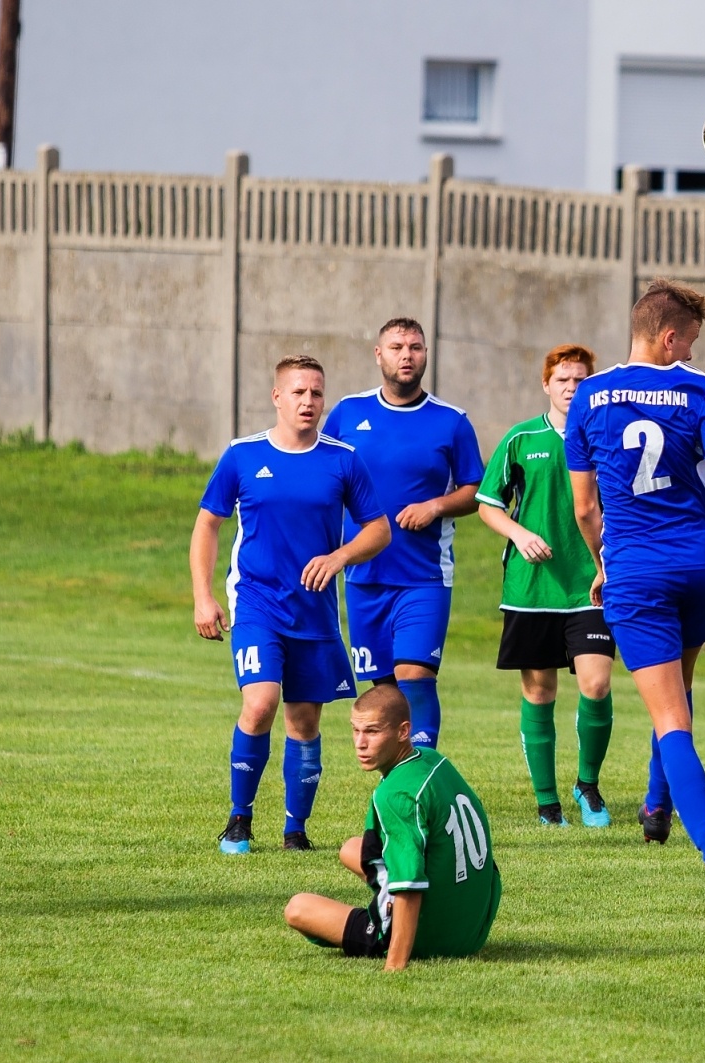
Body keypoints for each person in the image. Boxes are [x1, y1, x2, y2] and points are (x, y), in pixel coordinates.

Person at [565, 279, 705, 929]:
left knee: (669, 716)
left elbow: (584, 507)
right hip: (704, 565)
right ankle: (656, 809)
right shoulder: (700, 391)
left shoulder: (591, 397)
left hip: (640, 573)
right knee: (678, 690)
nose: (690, 355)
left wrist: (603, 564)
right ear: (668, 336)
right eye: (690, 343)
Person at [191, 356, 390, 854]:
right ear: (277, 397)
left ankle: (295, 830)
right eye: (299, 392)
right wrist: (203, 594)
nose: (308, 402)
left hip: (316, 613)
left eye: (317, 394)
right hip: (257, 603)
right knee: (259, 705)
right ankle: (239, 818)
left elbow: (380, 529)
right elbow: (207, 525)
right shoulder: (242, 456)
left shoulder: (343, 459)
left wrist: (340, 557)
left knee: (305, 722)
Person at [322, 318, 485, 749]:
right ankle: (395, 785)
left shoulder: (451, 422)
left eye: (415, 347)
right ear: (379, 355)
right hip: (363, 576)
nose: (407, 355)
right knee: (383, 691)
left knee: (415, 677)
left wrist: (436, 505)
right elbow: (321, 477)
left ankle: (424, 774)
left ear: (426, 354)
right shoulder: (347, 414)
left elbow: (477, 492)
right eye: (396, 347)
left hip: (424, 576)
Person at [477, 345, 617, 828]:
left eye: (580, 380)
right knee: (540, 692)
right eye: (563, 380)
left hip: (592, 583)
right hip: (532, 588)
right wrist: (519, 533)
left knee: (596, 684)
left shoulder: (605, 437)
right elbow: (487, 504)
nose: (571, 388)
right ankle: (547, 802)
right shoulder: (520, 439)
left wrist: (610, 560)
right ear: (547, 385)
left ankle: (588, 785)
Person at [283, 684, 501, 971]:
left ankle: (388, 925)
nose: (360, 743)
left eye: (372, 731)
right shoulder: (433, 759)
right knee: (351, 848)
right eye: (355, 730)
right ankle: (397, 904)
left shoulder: (396, 796)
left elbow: (410, 886)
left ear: (402, 731)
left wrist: (394, 966)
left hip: (434, 938)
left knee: (298, 908)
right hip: (475, 924)